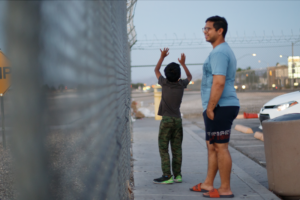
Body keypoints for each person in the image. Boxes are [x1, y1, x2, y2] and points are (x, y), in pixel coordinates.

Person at [189, 16, 240, 198]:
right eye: (204, 28)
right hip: (218, 105)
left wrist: (211, 108)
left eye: (208, 28)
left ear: (220, 31)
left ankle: (225, 188)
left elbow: (219, 83)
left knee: (221, 148)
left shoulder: (219, 52)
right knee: (212, 147)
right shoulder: (219, 51)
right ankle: (208, 184)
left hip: (221, 106)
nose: (205, 31)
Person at [153, 48, 192, 184]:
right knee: (177, 148)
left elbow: (156, 70)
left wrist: (162, 57)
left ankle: (167, 175)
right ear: (179, 76)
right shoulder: (181, 84)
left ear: (166, 75)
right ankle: (178, 175)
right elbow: (190, 77)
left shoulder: (164, 83)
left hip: (166, 120)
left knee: (163, 148)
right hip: (177, 120)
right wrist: (183, 64)